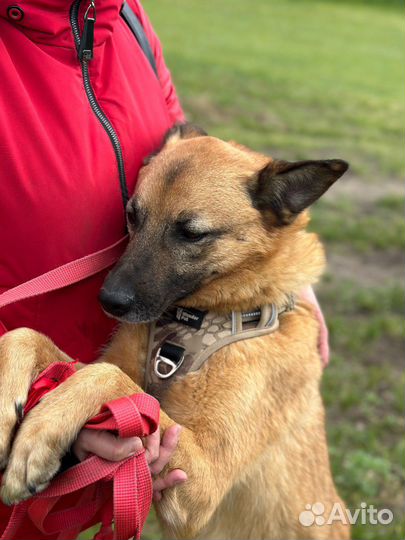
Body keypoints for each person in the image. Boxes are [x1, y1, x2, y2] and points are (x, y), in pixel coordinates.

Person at [0, 0, 329, 528]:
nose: (122, 287)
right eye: (137, 219)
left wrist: (281, 266)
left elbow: (186, 504)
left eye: (191, 235)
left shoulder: (121, 13)